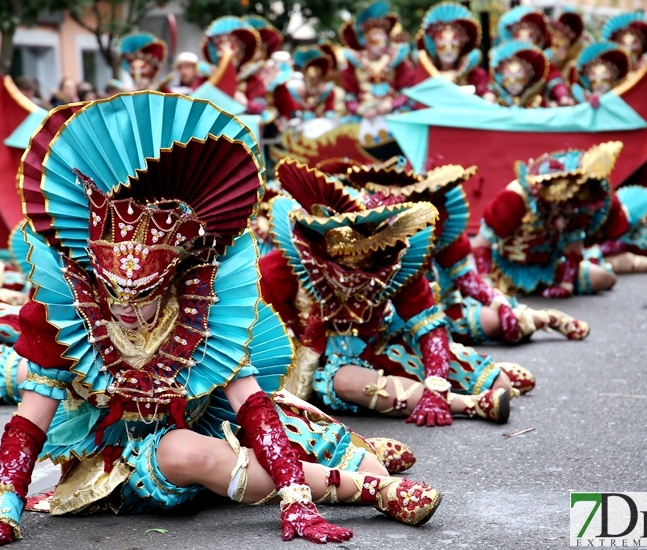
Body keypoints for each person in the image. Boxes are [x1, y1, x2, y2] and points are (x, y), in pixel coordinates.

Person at [0, 92, 443, 550]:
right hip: (126, 461)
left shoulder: (207, 304)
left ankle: (354, 466)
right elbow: (28, 422)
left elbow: (253, 404)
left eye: (143, 292)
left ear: (173, 276)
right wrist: (0, 514)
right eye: (113, 289)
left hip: (211, 418)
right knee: (181, 451)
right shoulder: (66, 309)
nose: (125, 306)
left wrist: (299, 502)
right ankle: (370, 489)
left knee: (307, 432)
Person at [261, 158, 525, 426]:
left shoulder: (396, 259)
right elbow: (266, 333)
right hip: (325, 364)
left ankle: (501, 360)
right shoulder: (283, 266)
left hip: (386, 340)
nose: (357, 271)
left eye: (369, 256)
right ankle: (469, 405)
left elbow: (428, 323)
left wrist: (436, 381)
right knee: (348, 382)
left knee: (497, 381)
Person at [346, 160, 590, 345]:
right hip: (378, 322)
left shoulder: (441, 230)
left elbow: (465, 277)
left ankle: (542, 318)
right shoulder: (360, 236)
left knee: (497, 322)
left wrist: (498, 301)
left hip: (436, 312)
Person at [472, 141, 621, 298]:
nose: (567, 214)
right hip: (506, 271)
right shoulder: (515, 198)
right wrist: (486, 288)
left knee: (605, 278)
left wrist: (566, 285)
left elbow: (573, 250)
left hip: (549, 268)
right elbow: (480, 245)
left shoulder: (577, 205)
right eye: (561, 206)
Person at [340, 2, 413, 128]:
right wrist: (361, 110)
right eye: (374, 40)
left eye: (382, 40)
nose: (380, 45)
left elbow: (407, 94)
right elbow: (349, 98)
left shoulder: (397, 60)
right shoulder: (354, 63)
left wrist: (391, 105)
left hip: (394, 115)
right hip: (363, 119)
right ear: (364, 41)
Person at [496, 6, 575, 106]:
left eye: (529, 36)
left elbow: (554, 79)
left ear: (536, 41)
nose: (523, 41)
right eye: (519, 36)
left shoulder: (542, 62)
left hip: (535, 110)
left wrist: (562, 95)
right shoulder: (500, 60)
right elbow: (493, 85)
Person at [416, 2, 492, 98]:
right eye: (443, 46)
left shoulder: (475, 74)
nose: (448, 50)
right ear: (434, 45)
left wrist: (488, 96)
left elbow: (487, 92)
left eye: (453, 46)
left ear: (461, 45)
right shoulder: (425, 72)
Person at [487, 41, 549, 107]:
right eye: (508, 79)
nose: (513, 84)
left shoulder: (535, 102)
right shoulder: (498, 103)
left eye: (518, 79)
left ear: (527, 78)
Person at [570, 42, 631, 107]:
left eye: (604, 80)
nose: (599, 85)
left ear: (614, 77)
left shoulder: (623, 95)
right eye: (594, 82)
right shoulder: (583, 98)